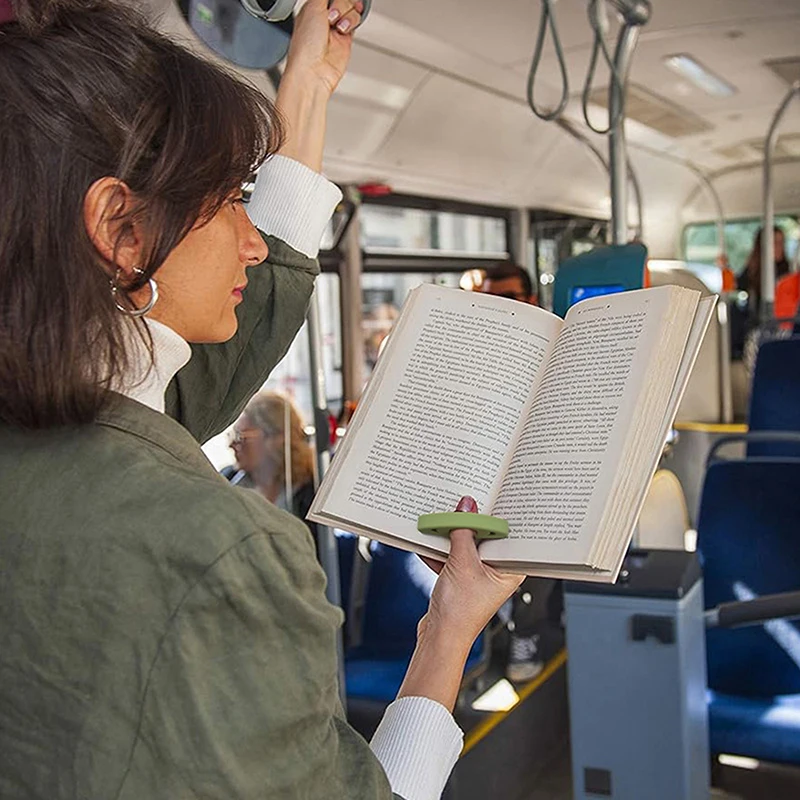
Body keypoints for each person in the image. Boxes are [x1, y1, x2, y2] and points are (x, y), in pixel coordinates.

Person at [0, 3, 524, 800]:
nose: (251, 239)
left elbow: (219, 344)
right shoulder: (217, 551)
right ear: (119, 226)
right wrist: (448, 631)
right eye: (228, 198)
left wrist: (307, 83)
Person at [476, 263, 559, 683]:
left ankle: (528, 631)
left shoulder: (556, 343)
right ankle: (494, 635)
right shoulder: (477, 356)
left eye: (506, 299)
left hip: (540, 466)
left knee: (529, 557)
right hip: (488, 466)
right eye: (488, 300)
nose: (497, 309)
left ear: (528, 299)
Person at [225, 391, 319, 541]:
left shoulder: (312, 493)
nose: (231, 444)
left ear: (277, 438)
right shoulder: (225, 480)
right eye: (232, 436)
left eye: (241, 437)